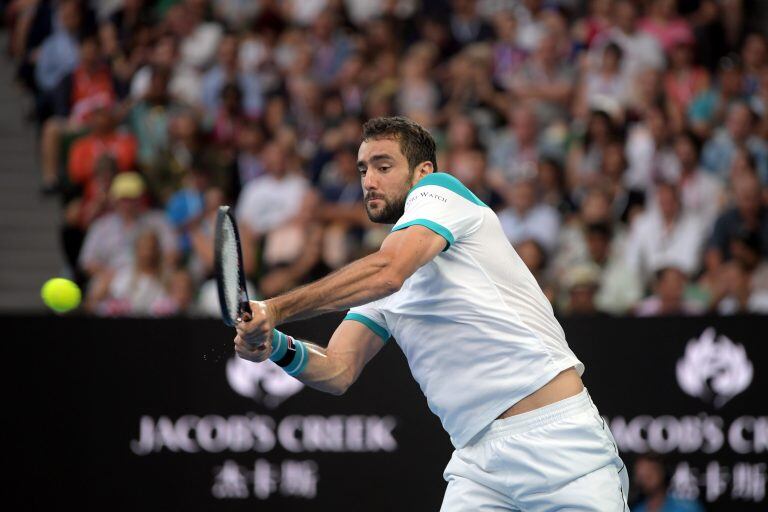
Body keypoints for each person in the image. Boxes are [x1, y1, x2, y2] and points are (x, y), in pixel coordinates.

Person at [233, 117, 628, 510]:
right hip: (477, 464)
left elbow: (389, 272)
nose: (369, 180)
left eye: (384, 166)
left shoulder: (441, 193)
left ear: (423, 172)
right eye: (363, 169)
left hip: (557, 441)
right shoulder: (378, 273)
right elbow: (338, 370)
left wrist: (276, 308)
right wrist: (274, 345)